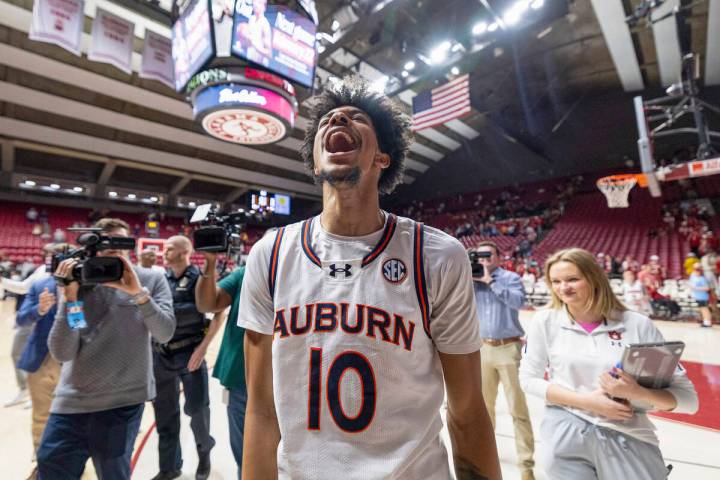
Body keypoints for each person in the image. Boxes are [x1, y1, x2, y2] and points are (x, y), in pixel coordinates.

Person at [238, 77, 501, 479]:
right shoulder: (270, 254)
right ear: (314, 160)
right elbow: (260, 410)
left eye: (357, 118)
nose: (338, 118)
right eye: (327, 119)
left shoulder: (437, 256)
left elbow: (466, 411)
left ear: (383, 156)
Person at [519, 248, 698, 479]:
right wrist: (587, 402)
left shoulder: (637, 325)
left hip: (627, 433)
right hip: (565, 431)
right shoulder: (545, 321)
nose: (564, 288)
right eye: (556, 281)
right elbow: (528, 379)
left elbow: (689, 401)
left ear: (594, 278)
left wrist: (638, 392)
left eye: (573, 279)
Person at [37, 218, 176, 480]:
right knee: (51, 469)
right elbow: (64, 352)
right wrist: (70, 300)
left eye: (119, 244)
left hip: (122, 403)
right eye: (106, 245)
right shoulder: (78, 280)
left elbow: (164, 332)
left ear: (129, 248)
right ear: (93, 248)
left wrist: (138, 293)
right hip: (71, 403)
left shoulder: (151, 279)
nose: (114, 251)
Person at [151, 236, 220, 480]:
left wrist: (203, 348)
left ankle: (204, 456)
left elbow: (216, 313)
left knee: (197, 411)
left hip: (190, 352)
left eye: (170, 248)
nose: (164, 251)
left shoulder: (199, 279)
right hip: (161, 355)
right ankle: (169, 467)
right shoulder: (159, 278)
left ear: (184, 253)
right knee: (165, 414)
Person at [472, 241, 535, 480]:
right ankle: (485, 458)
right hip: (481, 349)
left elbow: (518, 302)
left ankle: (526, 466)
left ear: (499, 256)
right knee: (484, 409)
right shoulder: (470, 280)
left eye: (488, 255)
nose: (484, 260)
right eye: (480, 256)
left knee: (517, 409)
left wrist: (491, 282)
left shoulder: (509, 278)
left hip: (508, 347)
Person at [15, 244, 70, 477]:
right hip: (41, 359)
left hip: (71, 362)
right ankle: (42, 466)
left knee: (70, 419)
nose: (51, 263)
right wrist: (40, 308)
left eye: (56, 258)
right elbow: (21, 319)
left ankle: (69, 464)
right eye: (48, 258)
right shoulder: (39, 284)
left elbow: (81, 326)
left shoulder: (86, 288)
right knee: (40, 417)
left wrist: (72, 301)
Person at [195, 250, 247, 479]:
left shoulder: (304, 274)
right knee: (245, 454)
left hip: (291, 379)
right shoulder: (245, 273)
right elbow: (209, 304)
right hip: (241, 375)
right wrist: (210, 262)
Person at [688, 263, 713, 328]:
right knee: (701, 309)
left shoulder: (702, 278)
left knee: (705, 309)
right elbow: (691, 283)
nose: (696, 271)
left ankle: (708, 322)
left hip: (703, 297)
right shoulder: (693, 275)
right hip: (697, 296)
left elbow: (707, 288)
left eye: (698, 269)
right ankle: (705, 321)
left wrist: (696, 288)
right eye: (695, 269)